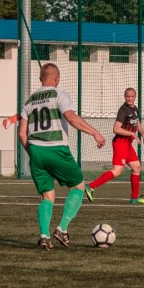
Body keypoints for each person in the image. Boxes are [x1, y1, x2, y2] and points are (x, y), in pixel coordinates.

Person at [18, 62, 105, 250]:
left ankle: (44, 236)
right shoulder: (60, 94)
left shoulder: (28, 102)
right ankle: (62, 228)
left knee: (47, 196)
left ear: (41, 78)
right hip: (56, 148)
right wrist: (95, 133)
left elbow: (22, 134)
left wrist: (33, 153)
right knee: (79, 186)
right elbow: (71, 118)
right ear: (56, 79)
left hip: (36, 152)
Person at [86, 87, 144, 204]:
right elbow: (116, 129)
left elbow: (137, 123)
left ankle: (134, 198)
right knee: (117, 171)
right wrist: (132, 133)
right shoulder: (123, 110)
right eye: (127, 96)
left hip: (127, 144)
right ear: (124, 97)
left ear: (135, 97)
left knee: (137, 167)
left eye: (132, 96)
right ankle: (90, 187)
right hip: (120, 143)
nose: (129, 98)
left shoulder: (134, 109)